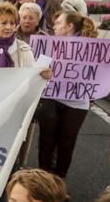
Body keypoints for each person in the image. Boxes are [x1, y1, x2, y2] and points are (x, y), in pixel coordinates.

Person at [34, 11, 98, 178]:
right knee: (46, 140)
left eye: (58, 23)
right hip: (51, 98)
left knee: (66, 143)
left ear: (69, 27)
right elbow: (37, 68)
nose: (54, 26)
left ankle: (59, 179)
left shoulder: (91, 47)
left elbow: (100, 69)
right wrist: (42, 72)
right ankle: (43, 178)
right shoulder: (49, 44)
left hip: (77, 103)